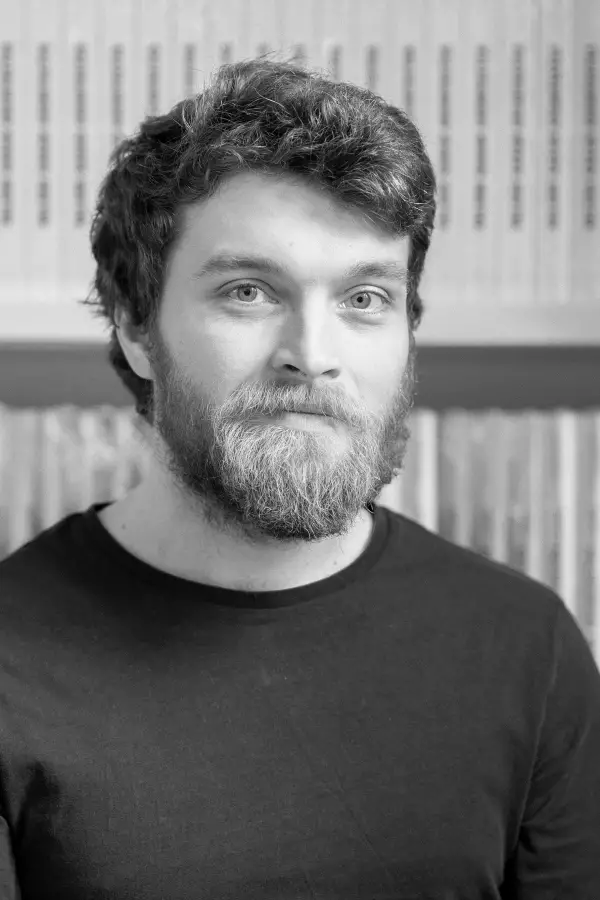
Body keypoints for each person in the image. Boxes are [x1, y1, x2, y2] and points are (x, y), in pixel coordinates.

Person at [1, 55, 599, 900]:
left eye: (364, 299)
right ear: (136, 327)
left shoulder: (527, 649)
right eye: (248, 291)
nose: (313, 356)